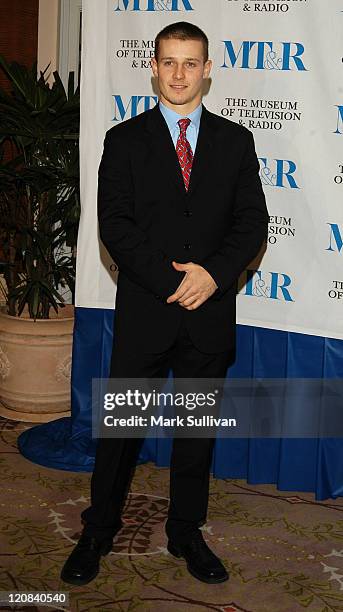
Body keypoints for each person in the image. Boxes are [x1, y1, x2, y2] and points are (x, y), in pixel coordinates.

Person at [61, 21, 268, 586]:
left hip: (209, 312)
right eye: (168, 62)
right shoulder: (124, 140)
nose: (179, 74)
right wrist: (173, 282)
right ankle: (97, 531)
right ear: (152, 68)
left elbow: (253, 222)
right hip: (147, 313)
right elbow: (116, 225)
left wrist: (213, 276)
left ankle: (186, 532)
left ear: (207, 70)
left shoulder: (235, 141)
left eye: (190, 63)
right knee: (120, 432)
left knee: (195, 434)